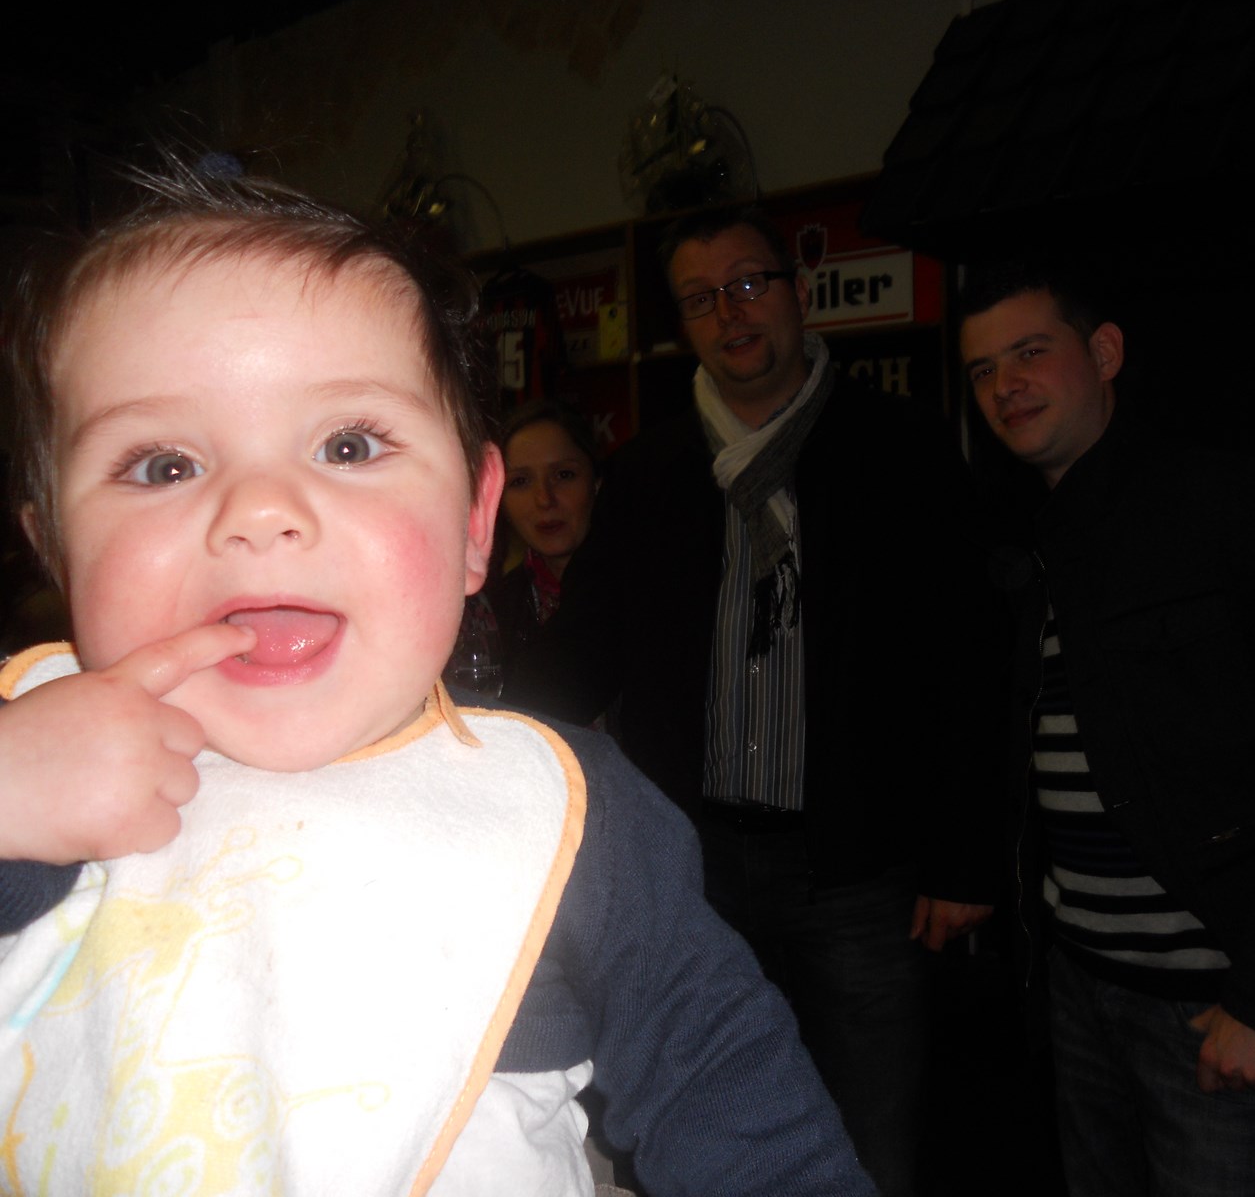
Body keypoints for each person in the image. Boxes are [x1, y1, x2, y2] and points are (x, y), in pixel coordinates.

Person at [0, 166, 874, 1197]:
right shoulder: (33, 772)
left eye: (348, 444)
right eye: (163, 466)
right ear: (55, 547)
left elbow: (740, 1110)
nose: (260, 511)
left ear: (472, 522)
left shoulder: (571, 822)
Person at [521, 206, 1001, 1197]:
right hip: (695, 870)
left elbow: (966, 660)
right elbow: (582, 653)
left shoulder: (899, 448)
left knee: (870, 1141)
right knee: (711, 1133)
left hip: (858, 871)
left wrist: (964, 856)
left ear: (798, 291)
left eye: (748, 284)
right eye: (701, 299)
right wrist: (466, 731)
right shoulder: (649, 472)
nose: (729, 313)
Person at [958, 260, 1255, 1195]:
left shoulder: (1231, 505)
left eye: (1031, 352)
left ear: (1105, 352)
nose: (1006, 385)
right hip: (1081, 994)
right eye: (982, 369)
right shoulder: (1032, 545)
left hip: (1216, 1015)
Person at [473, 399, 602, 705]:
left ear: (597, 483)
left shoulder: (647, 593)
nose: (544, 499)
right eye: (521, 481)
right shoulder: (491, 612)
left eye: (564, 475)